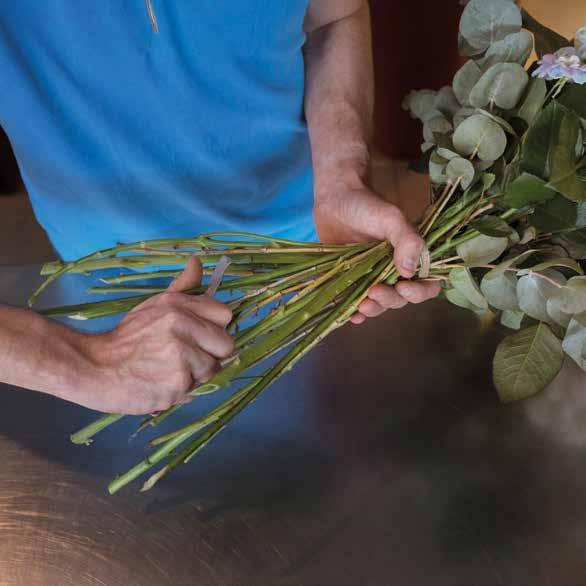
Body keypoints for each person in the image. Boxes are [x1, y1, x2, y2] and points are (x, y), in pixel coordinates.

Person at [0, 0, 439, 415]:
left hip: (313, 266)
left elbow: (332, 17)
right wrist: (90, 364)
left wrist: (340, 174)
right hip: (109, 305)